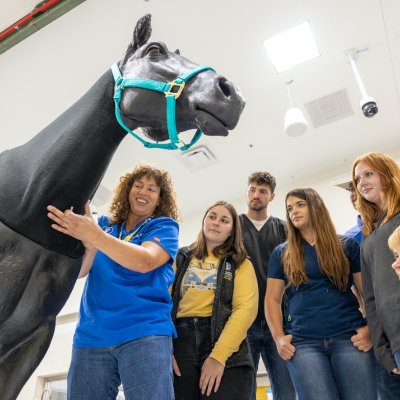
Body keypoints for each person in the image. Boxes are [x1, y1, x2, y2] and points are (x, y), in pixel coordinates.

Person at [47, 163, 180, 400]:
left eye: (152, 189)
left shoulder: (163, 226)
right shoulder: (105, 225)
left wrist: (96, 237)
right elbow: (81, 272)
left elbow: (146, 262)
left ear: (160, 199)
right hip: (92, 334)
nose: (143, 192)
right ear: (128, 190)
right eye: (138, 185)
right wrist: (89, 247)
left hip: (144, 331)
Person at [265, 188, 376, 400]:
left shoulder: (347, 245)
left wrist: (370, 328)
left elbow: (366, 292)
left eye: (300, 205)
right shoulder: (282, 252)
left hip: (349, 338)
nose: (293, 212)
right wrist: (279, 338)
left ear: (315, 206)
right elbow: (272, 299)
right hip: (303, 344)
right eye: (289, 208)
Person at [171, 201, 258, 400]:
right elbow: (161, 301)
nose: (216, 222)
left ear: (232, 231)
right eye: (212, 216)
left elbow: (246, 309)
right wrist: (164, 348)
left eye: (224, 220)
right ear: (203, 221)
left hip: (225, 342)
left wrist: (218, 356)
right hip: (180, 342)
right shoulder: (180, 257)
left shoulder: (240, 263)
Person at [239, 171, 295, 400]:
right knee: (244, 389)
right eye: (252, 189)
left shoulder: (284, 228)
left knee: (286, 389)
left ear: (271, 196)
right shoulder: (233, 226)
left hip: (279, 323)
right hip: (243, 321)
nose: (256, 195)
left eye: (262, 191)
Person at [352, 152, 400, 398]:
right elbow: (370, 299)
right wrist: (382, 349)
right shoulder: (367, 240)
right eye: (358, 179)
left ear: (387, 174)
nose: (362, 183)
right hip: (393, 345)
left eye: (369, 174)